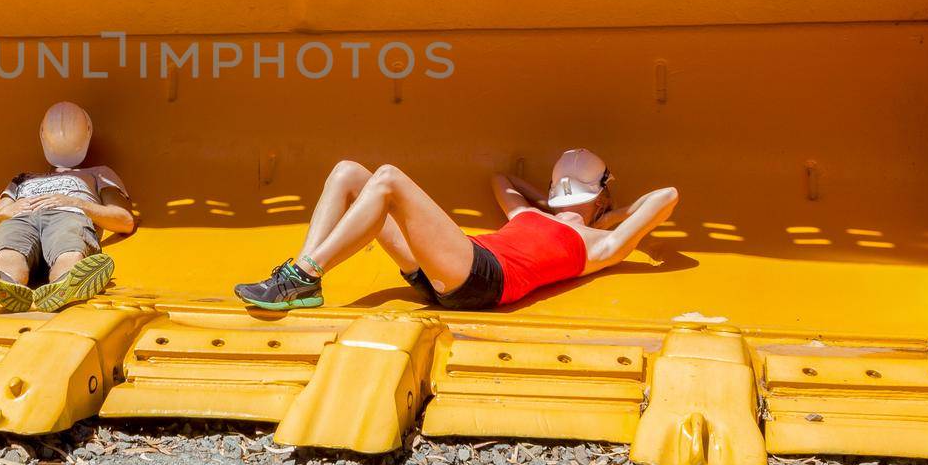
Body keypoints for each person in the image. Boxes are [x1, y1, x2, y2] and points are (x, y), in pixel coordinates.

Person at [234, 148, 677, 311]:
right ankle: (301, 280)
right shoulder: (528, 215)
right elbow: (501, 181)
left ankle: (302, 275)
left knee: (388, 177)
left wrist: (609, 218)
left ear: (601, 198)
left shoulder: (603, 244)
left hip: (482, 280)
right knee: (350, 171)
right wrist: (547, 207)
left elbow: (666, 196)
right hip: (448, 268)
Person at [0, 102, 135, 312]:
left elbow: (125, 221)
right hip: (21, 217)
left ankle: (63, 286)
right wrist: (3, 215)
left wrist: (76, 203)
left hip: (68, 215)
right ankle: (4, 286)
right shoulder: (23, 179)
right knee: (9, 246)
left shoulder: (97, 173)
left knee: (68, 241)